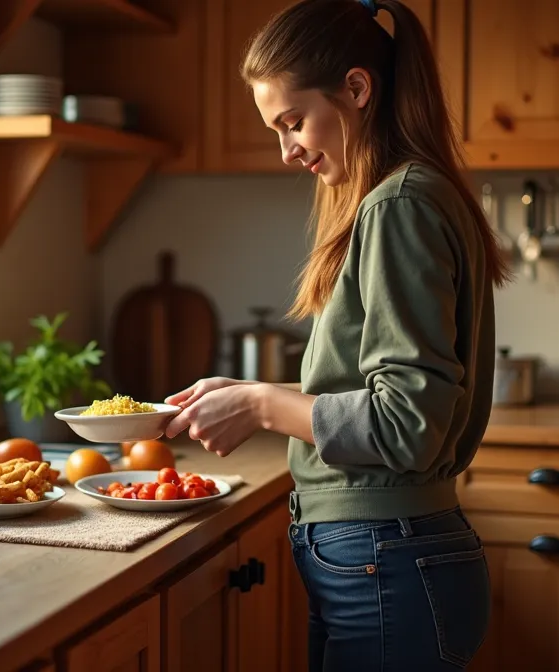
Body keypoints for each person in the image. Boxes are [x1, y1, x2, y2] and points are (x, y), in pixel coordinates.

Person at [162, 0, 514, 669]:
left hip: (387, 555)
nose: (287, 149)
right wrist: (250, 391)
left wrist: (264, 406)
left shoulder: (397, 204)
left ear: (356, 89)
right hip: (389, 557)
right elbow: (369, 390)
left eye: (293, 122)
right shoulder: (411, 194)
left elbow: (407, 423)